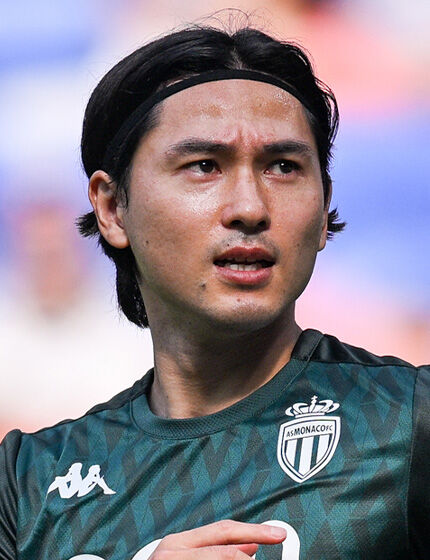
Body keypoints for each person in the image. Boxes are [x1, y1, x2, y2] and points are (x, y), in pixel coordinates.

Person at [0, 24, 428, 560]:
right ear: (112, 208)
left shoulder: (409, 422)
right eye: (204, 166)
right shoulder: (27, 483)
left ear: (324, 210)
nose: (250, 207)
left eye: (284, 167)